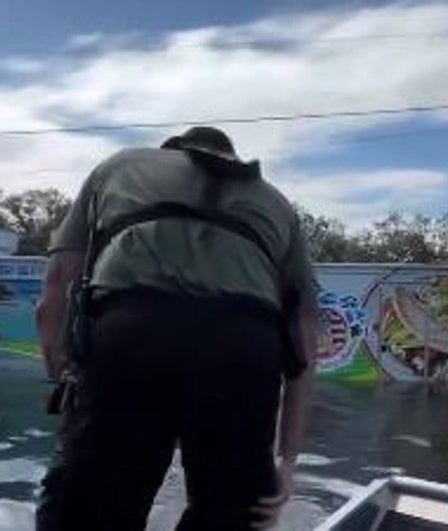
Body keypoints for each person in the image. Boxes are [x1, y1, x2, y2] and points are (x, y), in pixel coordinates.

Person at [35, 126, 318, 531]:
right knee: (231, 514)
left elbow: (55, 292)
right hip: (243, 351)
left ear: (171, 150)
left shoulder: (119, 167)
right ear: (234, 160)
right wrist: (285, 463)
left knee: (87, 508)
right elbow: (305, 347)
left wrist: (65, 379)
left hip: (130, 336)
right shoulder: (278, 205)